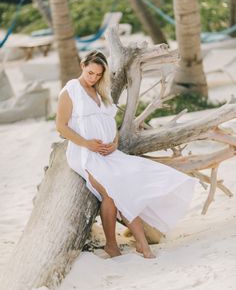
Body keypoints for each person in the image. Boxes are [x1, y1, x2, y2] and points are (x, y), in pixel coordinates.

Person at [56, 50, 196, 259]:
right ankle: (118, 245)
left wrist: (114, 143)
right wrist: (87, 144)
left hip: (109, 153)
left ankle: (136, 243)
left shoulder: (101, 93)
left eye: (97, 75)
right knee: (111, 192)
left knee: (132, 182)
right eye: (90, 72)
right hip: (84, 153)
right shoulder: (70, 90)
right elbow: (61, 126)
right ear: (82, 66)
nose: (93, 78)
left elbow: (111, 124)